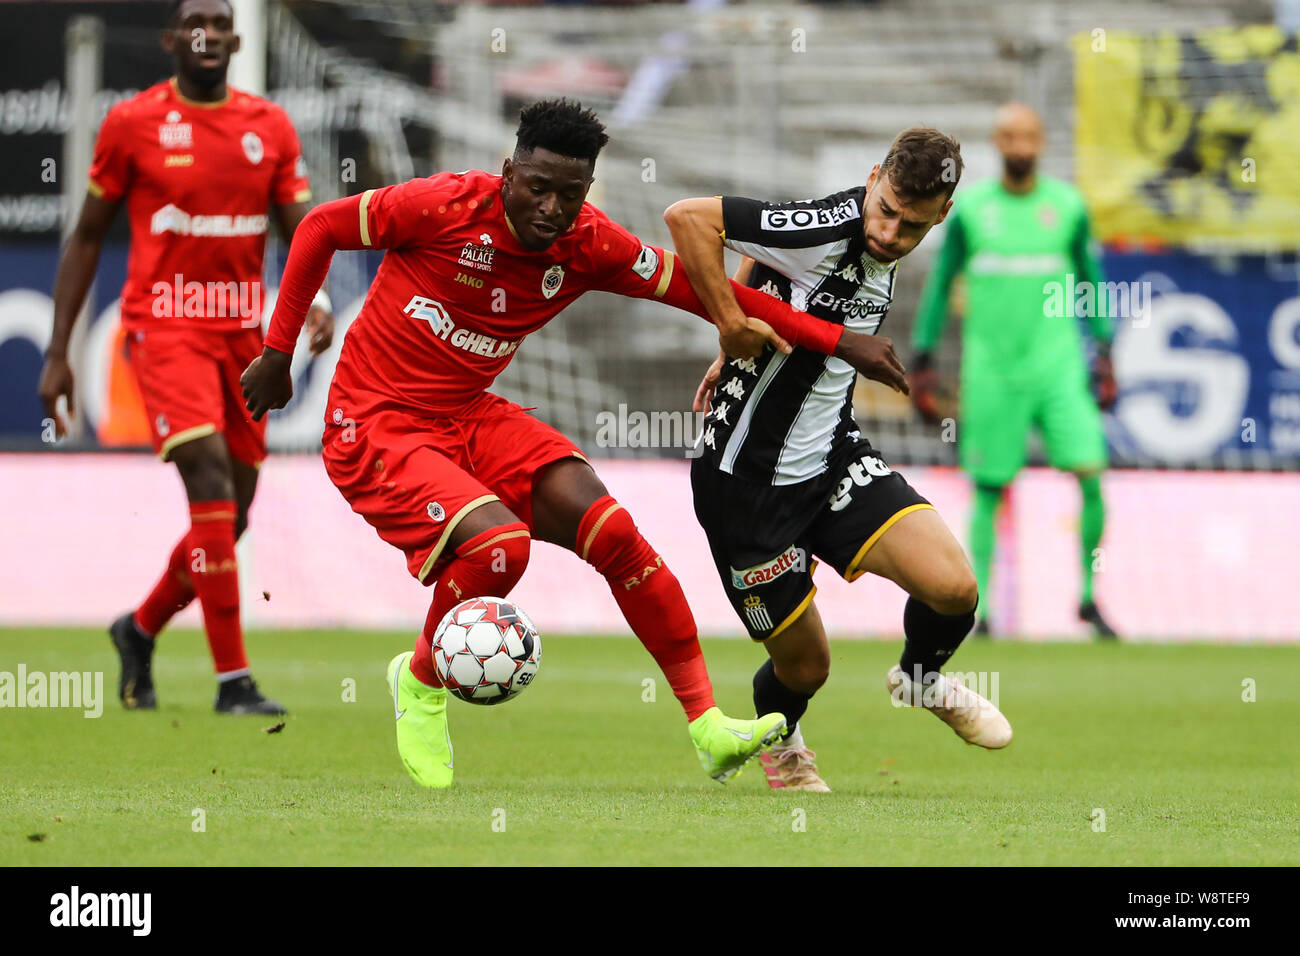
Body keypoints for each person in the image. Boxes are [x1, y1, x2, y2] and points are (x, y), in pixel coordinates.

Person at [241, 98, 893, 788]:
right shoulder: (441, 207)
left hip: (466, 416)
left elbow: (702, 291)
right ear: (507, 172)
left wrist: (838, 339)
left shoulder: (589, 243)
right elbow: (319, 227)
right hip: (373, 422)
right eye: (538, 187)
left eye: (570, 193)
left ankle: (706, 725)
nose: (552, 207)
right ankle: (424, 680)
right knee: (500, 548)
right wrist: (279, 353)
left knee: (614, 534)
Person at [666, 127, 1012, 794]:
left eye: (911, 225)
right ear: (873, 175)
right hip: (747, 485)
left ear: (942, 214)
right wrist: (728, 329)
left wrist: (736, 316)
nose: (889, 233)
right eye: (883, 209)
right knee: (806, 668)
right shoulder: (824, 228)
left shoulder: (896, 233)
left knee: (954, 590)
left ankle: (919, 679)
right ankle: (784, 740)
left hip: (830, 458)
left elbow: (753, 265)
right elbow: (688, 220)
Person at [37, 0, 335, 714]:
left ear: (235, 39)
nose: (208, 31)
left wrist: (316, 298)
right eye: (194, 20)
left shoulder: (269, 127)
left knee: (228, 517)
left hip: (243, 340)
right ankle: (234, 682)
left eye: (221, 20)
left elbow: (307, 230)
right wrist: (59, 352)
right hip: (164, 329)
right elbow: (86, 236)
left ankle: (138, 629)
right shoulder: (133, 123)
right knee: (206, 474)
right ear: (173, 39)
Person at [910, 103, 1119, 639]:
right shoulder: (973, 210)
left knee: (1092, 475)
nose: (1020, 146)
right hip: (992, 371)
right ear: (997, 144)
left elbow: (1093, 282)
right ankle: (977, 610)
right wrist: (925, 355)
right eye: (1009, 137)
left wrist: (1106, 349)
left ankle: (1090, 599)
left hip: (1059, 368)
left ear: (1040, 141)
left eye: (1028, 136)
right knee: (987, 487)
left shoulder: (1068, 207)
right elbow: (940, 283)